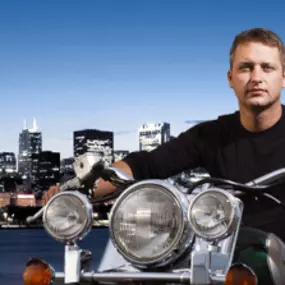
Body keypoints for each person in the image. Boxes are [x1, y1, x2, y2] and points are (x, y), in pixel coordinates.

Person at [43, 27, 285, 241]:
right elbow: (148, 165)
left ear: (283, 77)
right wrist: (77, 189)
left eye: (267, 68)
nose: (256, 78)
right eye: (246, 67)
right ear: (230, 78)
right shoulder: (212, 135)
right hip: (231, 256)